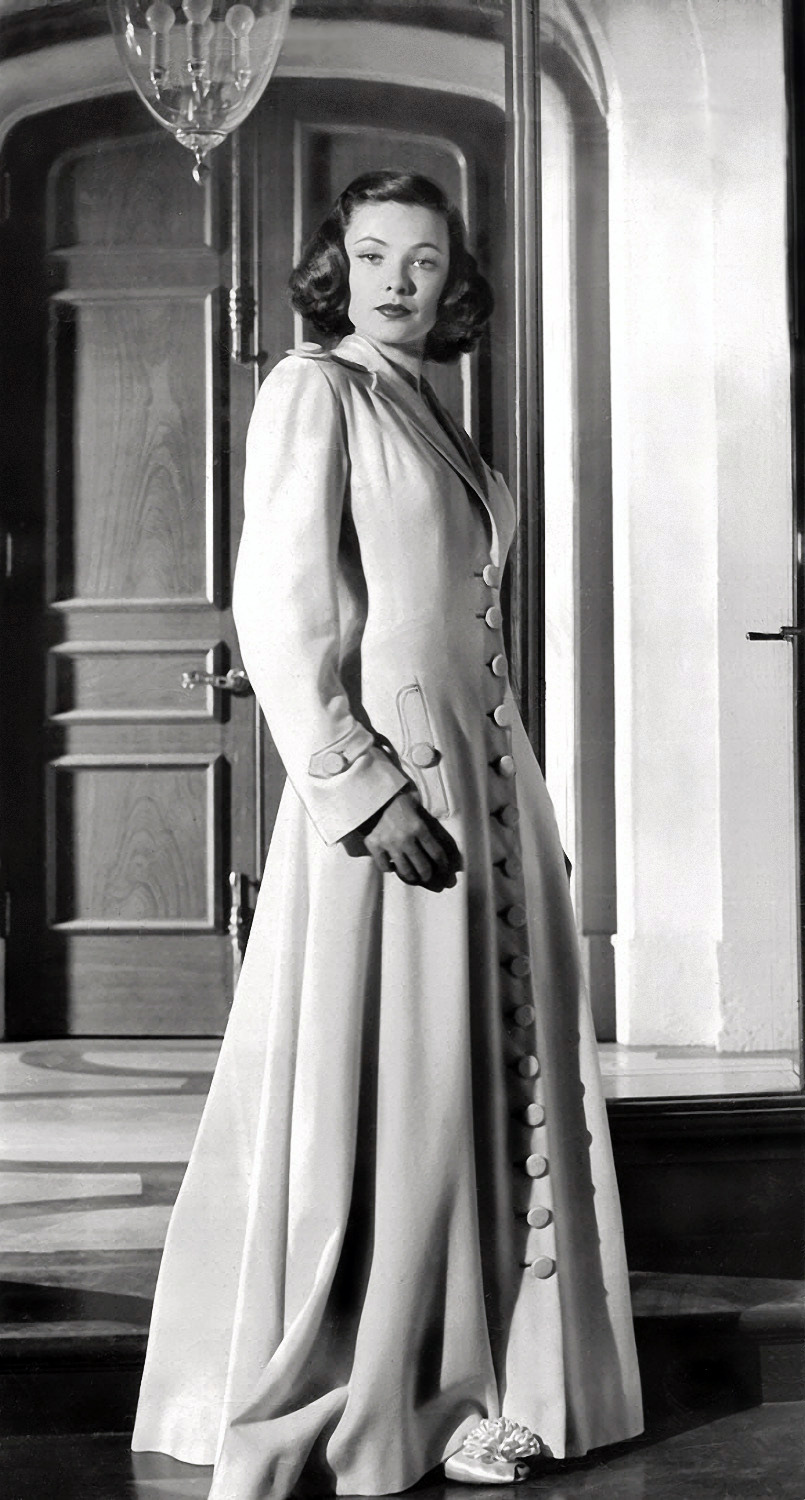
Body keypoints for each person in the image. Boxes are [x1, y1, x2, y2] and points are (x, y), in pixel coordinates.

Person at [131, 170, 643, 1499]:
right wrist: (363, 791)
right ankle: (401, 1387)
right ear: (335, 268)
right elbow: (279, 611)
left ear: (453, 277)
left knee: (476, 1078)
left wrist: (518, 806)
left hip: (484, 780)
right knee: (402, 1088)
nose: (399, 282)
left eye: (423, 259)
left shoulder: (433, 408)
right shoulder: (317, 390)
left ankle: (486, 1377)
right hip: (393, 797)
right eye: (372, 256)